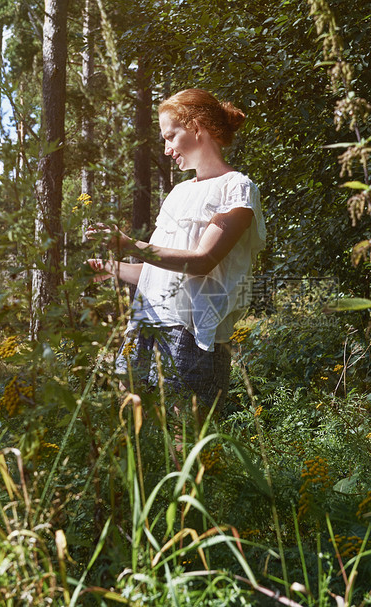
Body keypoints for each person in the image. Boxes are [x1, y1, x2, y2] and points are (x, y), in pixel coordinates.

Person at [86, 88, 266, 412]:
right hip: (147, 324)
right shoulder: (179, 193)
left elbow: (201, 262)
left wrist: (131, 245)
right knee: (138, 439)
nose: (167, 150)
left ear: (197, 126)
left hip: (190, 335)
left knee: (186, 443)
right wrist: (113, 267)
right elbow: (160, 274)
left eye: (171, 136)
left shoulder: (237, 188)